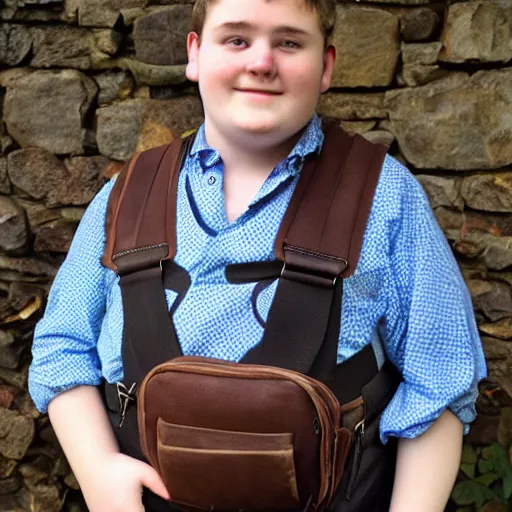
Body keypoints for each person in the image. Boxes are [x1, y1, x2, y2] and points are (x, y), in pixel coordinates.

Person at [28, 0, 486, 511]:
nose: (262, 62)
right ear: (195, 54)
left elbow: (440, 383)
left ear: (327, 66)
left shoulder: (384, 197)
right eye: (237, 40)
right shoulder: (128, 195)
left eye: (289, 42)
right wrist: (98, 472)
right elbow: (62, 347)